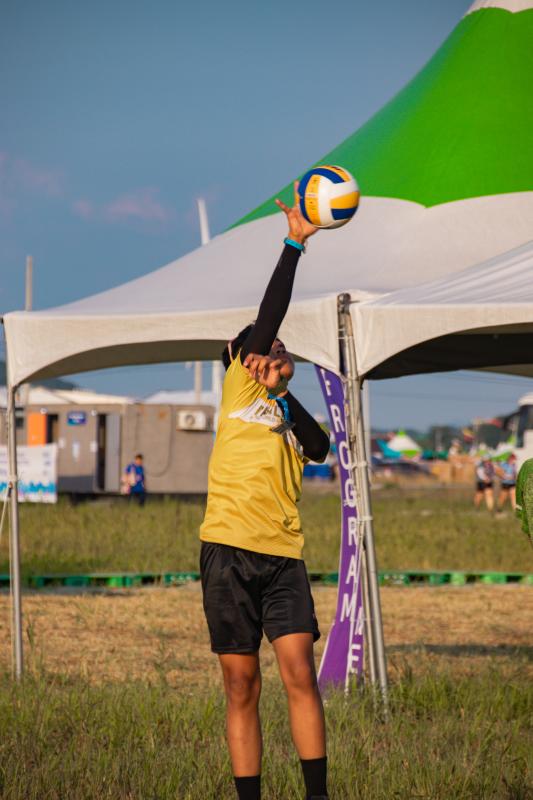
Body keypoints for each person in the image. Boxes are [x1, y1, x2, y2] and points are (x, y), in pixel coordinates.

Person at [199, 183, 331, 800]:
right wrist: (293, 246)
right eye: (262, 345)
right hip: (227, 551)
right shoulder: (237, 387)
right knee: (242, 686)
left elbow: (322, 447)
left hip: (283, 556)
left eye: (275, 345)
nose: (274, 346)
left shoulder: (282, 403)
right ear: (243, 359)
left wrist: (283, 395)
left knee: (300, 673)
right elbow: (271, 311)